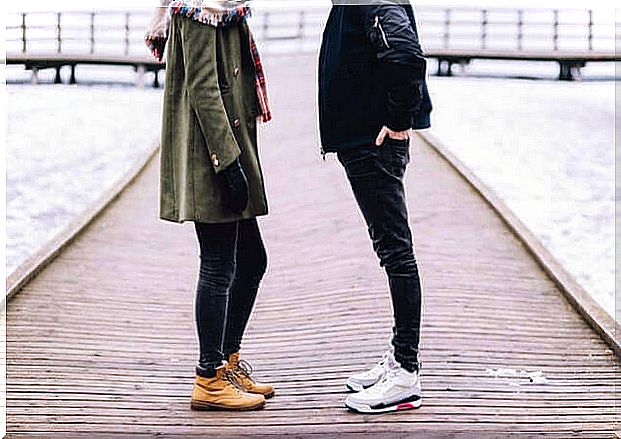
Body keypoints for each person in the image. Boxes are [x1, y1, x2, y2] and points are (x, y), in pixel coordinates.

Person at [145, 0, 274, 411]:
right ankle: (208, 378)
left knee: (252, 260)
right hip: (212, 156)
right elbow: (202, 86)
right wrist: (228, 161)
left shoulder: (226, 9)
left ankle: (227, 361)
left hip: (230, 150)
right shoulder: (200, 9)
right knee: (219, 265)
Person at [318, 0, 433, 414]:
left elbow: (404, 53)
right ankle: (398, 359)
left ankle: (405, 372)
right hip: (364, 141)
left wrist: (400, 119)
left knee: (396, 253)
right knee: (391, 251)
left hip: (373, 144)